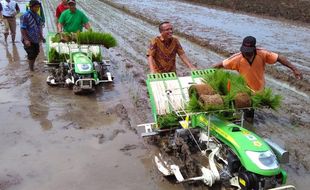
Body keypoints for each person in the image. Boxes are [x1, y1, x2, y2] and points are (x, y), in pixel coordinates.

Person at [213, 36, 303, 92]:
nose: (246, 54)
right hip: (244, 89)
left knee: (255, 106)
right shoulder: (237, 58)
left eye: (248, 52)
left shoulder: (263, 54)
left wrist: (294, 69)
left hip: (260, 88)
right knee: (247, 112)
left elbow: (279, 58)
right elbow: (219, 65)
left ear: (254, 48)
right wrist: (206, 74)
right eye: (244, 51)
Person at [20, 0, 45, 71]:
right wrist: (26, 40)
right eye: (35, 7)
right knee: (31, 54)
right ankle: (31, 69)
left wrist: (42, 37)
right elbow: (22, 29)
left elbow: (39, 27)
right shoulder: (25, 16)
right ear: (31, 7)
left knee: (36, 52)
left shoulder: (37, 15)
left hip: (35, 38)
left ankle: (32, 66)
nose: (37, 9)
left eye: (38, 7)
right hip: (28, 38)